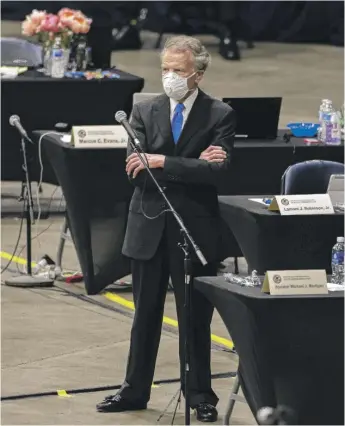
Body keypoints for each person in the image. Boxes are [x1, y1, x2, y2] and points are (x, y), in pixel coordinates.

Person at [96, 35, 236, 423]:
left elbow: (219, 172)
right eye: (165, 69)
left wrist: (161, 161)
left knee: (195, 318)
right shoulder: (143, 110)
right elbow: (136, 173)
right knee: (145, 316)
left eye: (179, 70)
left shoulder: (219, 114)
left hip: (194, 229)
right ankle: (134, 389)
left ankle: (199, 395)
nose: (170, 77)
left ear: (199, 74)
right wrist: (187, 164)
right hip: (149, 227)